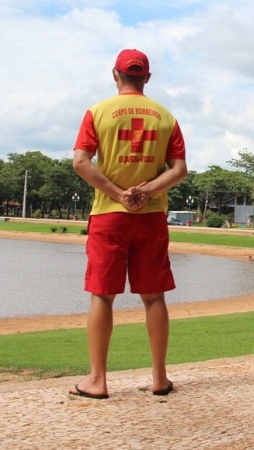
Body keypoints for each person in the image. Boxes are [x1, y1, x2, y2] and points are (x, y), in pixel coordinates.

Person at [69, 49, 188, 399]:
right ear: (147, 78)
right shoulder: (166, 116)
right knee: (154, 298)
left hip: (109, 215)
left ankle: (97, 380)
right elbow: (179, 169)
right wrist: (146, 191)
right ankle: (159, 378)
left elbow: (81, 162)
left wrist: (119, 194)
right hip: (150, 217)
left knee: (103, 296)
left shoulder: (98, 111)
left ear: (115, 75)